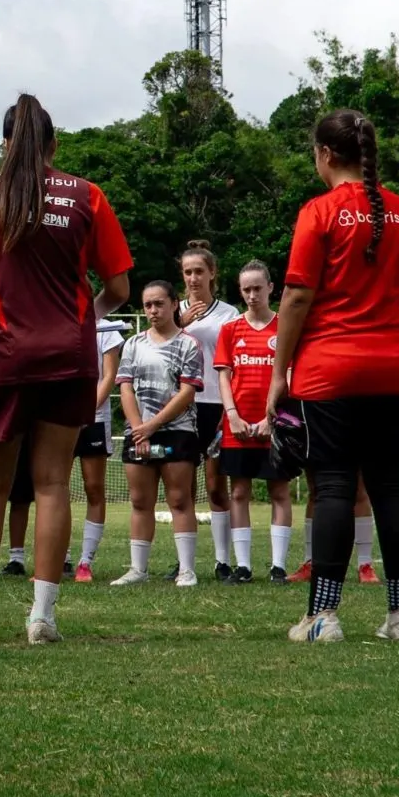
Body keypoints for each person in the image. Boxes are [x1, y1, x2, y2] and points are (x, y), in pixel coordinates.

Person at [0, 93, 133, 647]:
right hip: (67, 357)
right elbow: (118, 289)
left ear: (5, 145)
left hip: (4, 353)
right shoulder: (86, 196)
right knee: (53, 485)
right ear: (53, 145)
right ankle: (41, 618)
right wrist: (80, 321)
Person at [268, 110, 399, 645]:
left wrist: (279, 372)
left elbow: (296, 295)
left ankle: (323, 616)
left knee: (335, 486)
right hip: (396, 371)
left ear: (324, 154)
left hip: (330, 370)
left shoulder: (318, 212)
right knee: (390, 487)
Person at [115, 280, 204, 585]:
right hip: (138, 432)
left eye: (159, 303)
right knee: (140, 502)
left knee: (179, 500)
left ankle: (187, 570)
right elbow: (126, 388)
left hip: (177, 432)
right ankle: (138, 570)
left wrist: (154, 426)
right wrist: (140, 428)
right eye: (148, 305)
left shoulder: (188, 344)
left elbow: (187, 391)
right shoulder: (133, 344)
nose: (153, 310)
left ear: (174, 303)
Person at [213, 261, 292, 585]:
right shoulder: (230, 330)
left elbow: (288, 374)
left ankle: (278, 567)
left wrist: (270, 418)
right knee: (240, 491)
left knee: (279, 490)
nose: (252, 295)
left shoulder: (285, 327)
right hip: (238, 425)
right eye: (246, 289)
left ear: (271, 287)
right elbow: (223, 375)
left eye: (258, 288)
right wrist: (232, 415)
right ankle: (243, 566)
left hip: (275, 423)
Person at [175, 245, 242, 578]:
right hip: (181, 406)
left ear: (212, 273)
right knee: (181, 489)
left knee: (216, 486)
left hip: (215, 404)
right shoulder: (173, 311)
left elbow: (233, 362)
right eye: (187, 272)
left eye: (199, 271)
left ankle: (222, 561)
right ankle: (184, 562)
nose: (193, 278)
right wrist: (179, 323)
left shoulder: (229, 314)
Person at [72, 315, 127, 581]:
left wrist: (85, 412)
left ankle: (85, 561)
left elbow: (109, 377)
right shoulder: (54, 323)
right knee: (53, 488)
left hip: (94, 418)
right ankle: (58, 558)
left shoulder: (106, 329)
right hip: (59, 419)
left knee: (93, 487)